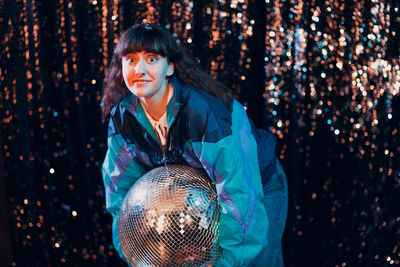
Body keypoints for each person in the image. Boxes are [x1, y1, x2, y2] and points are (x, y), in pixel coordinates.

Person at [101, 23, 288, 266]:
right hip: (200, 202)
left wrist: (226, 262)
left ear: (170, 67)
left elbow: (239, 192)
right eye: (131, 59)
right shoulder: (122, 118)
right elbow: (120, 193)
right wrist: (133, 253)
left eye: (151, 58)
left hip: (256, 190)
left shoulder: (203, 112)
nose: (140, 69)